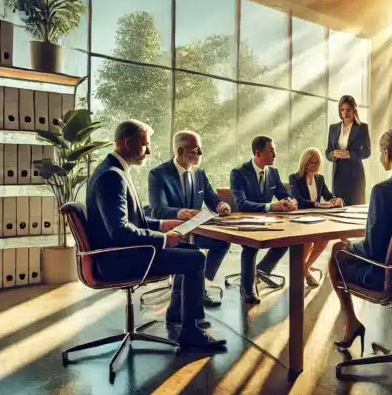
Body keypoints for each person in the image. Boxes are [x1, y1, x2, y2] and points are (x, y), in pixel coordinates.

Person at [85, 120, 226, 352]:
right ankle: (190, 333)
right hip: (117, 259)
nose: (149, 151)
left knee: (190, 251)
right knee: (197, 258)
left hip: (120, 252)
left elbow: (129, 221)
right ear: (128, 143)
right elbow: (119, 231)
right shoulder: (112, 176)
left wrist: (162, 224)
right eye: (145, 144)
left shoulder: (113, 171)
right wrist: (163, 239)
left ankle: (184, 318)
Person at [327, 127, 392, 352]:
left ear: (387, 152)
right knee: (345, 250)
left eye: (379, 152)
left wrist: (349, 247)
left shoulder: (381, 191)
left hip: (386, 275)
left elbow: (372, 249)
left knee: (337, 252)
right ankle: (356, 325)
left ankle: (352, 322)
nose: (379, 157)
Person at [148, 130, 233, 315]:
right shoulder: (158, 174)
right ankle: (179, 309)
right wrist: (179, 212)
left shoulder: (200, 174)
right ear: (180, 151)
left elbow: (212, 199)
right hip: (173, 232)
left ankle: (199, 285)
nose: (201, 154)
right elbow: (157, 209)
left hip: (197, 231)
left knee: (223, 242)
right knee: (190, 253)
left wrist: (222, 205)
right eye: (197, 150)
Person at [229, 135, 297, 305]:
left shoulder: (273, 172)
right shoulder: (238, 173)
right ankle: (247, 288)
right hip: (246, 220)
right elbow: (242, 204)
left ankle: (261, 270)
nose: (275, 155)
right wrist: (270, 207)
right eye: (271, 152)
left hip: (269, 221)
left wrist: (291, 201)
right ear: (258, 153)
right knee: (251, 246)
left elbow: (283, 194)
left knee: (288, 238)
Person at [288, 148, 344, 287]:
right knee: (308, 241)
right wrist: (317, 204)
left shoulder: (319, 179)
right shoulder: (294, 178)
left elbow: (328, 195)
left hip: (317, 218)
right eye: (311, 162)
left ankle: (304, 268)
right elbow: (298, 200)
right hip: (300, 218)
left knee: (325, 238)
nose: (314, 165)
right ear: (305, 163)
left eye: (317, 162)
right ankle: (305, 271)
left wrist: (335, 200)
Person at [326, 95, 371, 206]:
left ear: (354, 109)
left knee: (355, 209)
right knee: (337, 207)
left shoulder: (362, 127)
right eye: (342, 110)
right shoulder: (333, 128)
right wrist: (333, 154)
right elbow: (328, 151)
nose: (345, 113)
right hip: (338, 176)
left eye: (348, 110)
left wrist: (349, 154)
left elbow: (367, 151)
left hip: (355, 176)